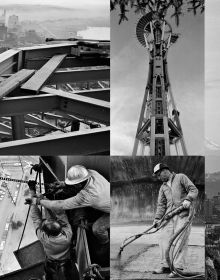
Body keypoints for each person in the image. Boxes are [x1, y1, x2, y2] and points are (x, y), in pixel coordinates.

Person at [27, 165, 110, 247]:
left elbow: (60, 205)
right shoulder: (92, 173)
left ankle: (105, 243)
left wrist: (37, 200)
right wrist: (63, 184)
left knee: (97, 229)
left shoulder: (88, 196)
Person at [152, 163, 198, 278]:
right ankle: (166, 265)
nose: (158, 178)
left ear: (165, 170)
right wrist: (157, 218)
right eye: (157, 176)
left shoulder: (181, 177)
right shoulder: (163, 187)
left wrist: (188, 199)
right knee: (163, 238)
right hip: (169, 217)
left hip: (183, 215)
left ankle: (178, 268)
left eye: (159, 174)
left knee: (180, 240)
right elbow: (161, 204)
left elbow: (193, 189)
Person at [25, 181, 79, 280]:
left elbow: (36, 218)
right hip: (65, 262)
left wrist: (32, 192)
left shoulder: (44, 238)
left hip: (51, 262)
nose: (46, 219)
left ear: (46, 233)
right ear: (60, 227)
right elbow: (60, 213)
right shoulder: (67, 234)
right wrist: (43, 199)